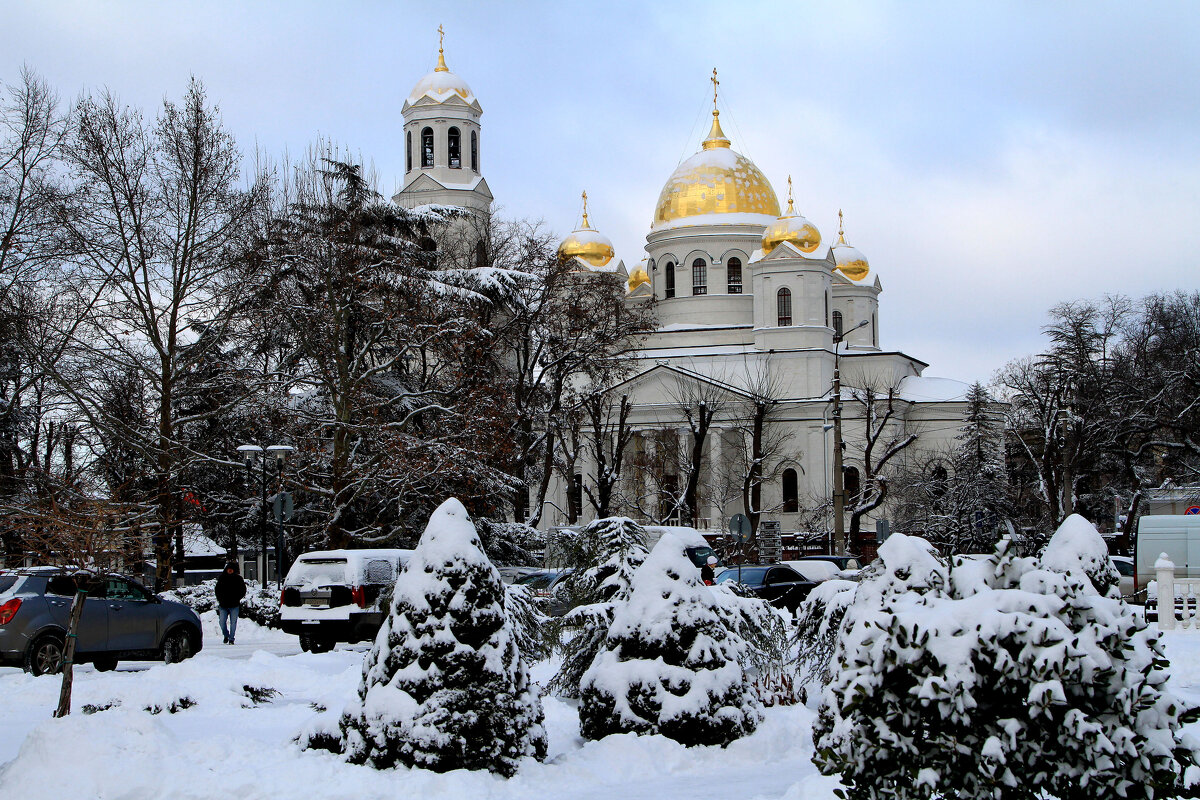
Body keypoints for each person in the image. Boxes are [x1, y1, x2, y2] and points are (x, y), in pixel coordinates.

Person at [215, 562, 247, 644]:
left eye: (231, 569)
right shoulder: (222, 578)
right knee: (221, 622)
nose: (230, 571)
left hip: (234, 605)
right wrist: (220, 599)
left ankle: (231, 638)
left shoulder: (238, 579)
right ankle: (226, 635)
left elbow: (243, 590)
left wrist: (237, 598)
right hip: (223, 605)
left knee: (233, 623)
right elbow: (217, 590)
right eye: (228, 569)